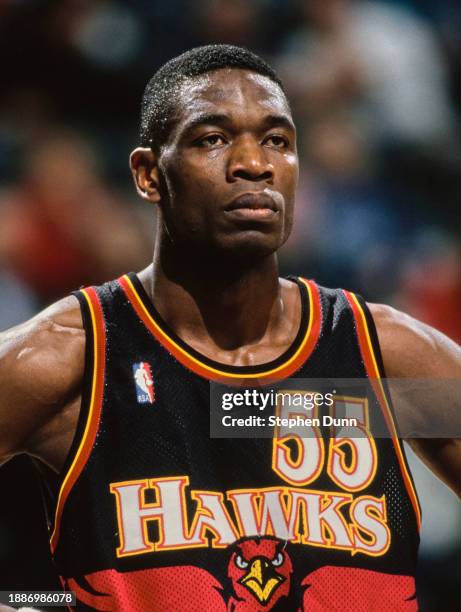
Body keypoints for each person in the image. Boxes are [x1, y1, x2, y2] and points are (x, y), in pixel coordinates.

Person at [0, 45, 459, 611]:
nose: (254, 164)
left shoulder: (381, 360)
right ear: (148, 174)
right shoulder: (73, 359)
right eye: (211, 139)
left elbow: (237, 411)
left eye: (277, 140)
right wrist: (28, 604)